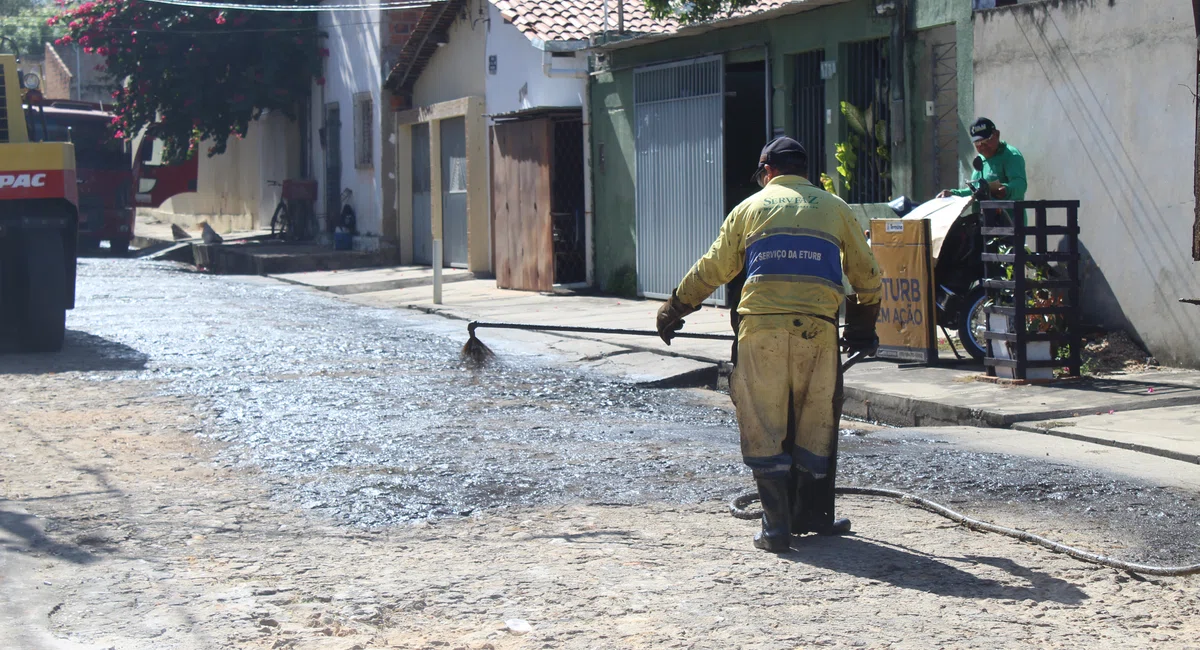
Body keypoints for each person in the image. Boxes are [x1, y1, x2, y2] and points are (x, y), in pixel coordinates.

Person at [655, 136, 883, 553]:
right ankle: (812, 514)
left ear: (767, 171)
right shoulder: (836, 209)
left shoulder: (749, 208)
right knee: (817, 420)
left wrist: (674, 308)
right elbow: (867, 275)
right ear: (805, 171)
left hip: (760, 331)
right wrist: (864, 326)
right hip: (819, 331)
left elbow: (714, 267)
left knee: (763, 422)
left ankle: (778, 528)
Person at [937, 117, 1027, 203]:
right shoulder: (980, 159)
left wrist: (1006, 190)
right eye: (977, 142)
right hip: (983, 216)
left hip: (1008, 217)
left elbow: (1020, 184)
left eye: (986, 140)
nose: (982, 146)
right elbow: (975, 191)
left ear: (997, 134)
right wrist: (954, 194)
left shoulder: (1011, 155)